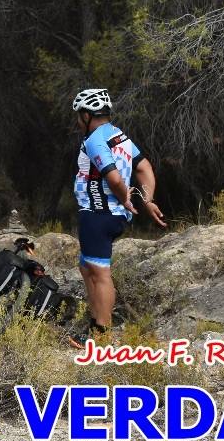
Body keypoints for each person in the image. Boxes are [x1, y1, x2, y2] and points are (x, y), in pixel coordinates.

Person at [70, 88, 166, 348]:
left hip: (98, 213)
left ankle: (100, 338)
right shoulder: (119, 135)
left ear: (87, 115)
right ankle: (95, 326)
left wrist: (125, 196)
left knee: (100, 273)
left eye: (79, 116)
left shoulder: (94, 141)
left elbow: (113, 178)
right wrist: (147, 200)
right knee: (87, 267)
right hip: (111, 215)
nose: (78, 122)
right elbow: (144, 167)